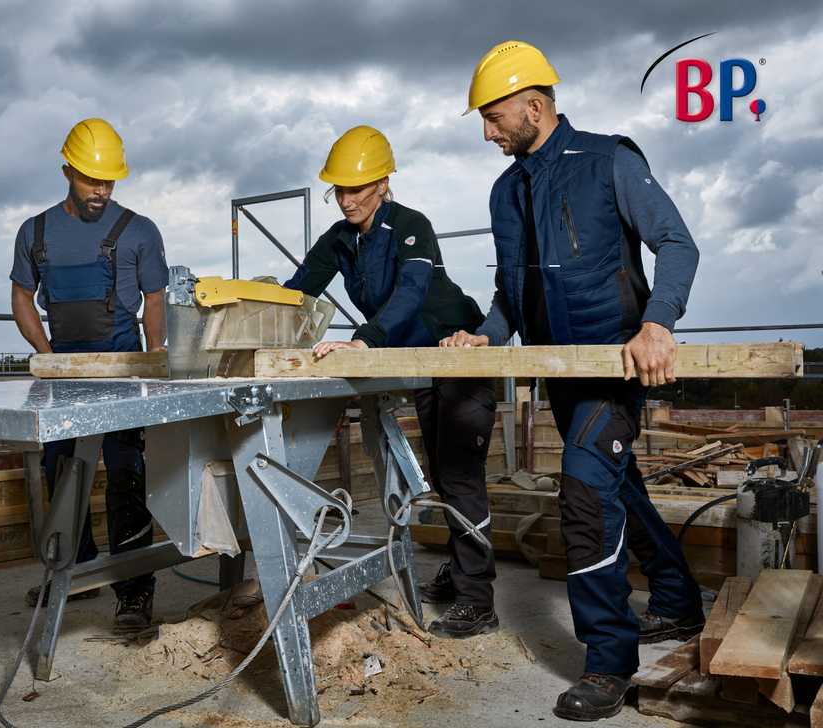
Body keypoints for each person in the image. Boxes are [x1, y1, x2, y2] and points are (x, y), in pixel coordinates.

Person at [447, 41, 705, 720]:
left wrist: (657, 324)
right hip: (555, 371)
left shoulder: (610, 160)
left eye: (496, 117)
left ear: (535, 106)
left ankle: (606, 662)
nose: (487, 132)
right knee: (619, 483)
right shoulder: (506, 191)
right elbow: (511, 293)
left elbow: (677, 243)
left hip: (614, 364)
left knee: (586, 496)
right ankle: (678, 604)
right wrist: (487, 334)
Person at [283, 126, 499, 639]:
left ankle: (479, 599)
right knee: (443, 475)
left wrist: (364, 342)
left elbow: (409, 292)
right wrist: (248, 316)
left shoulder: (410, 225)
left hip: (458, 354)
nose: (347, 198)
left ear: (383, 182)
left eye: (357, 187)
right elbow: (298, 293)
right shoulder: (339, 239)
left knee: (461, 476)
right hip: (417, 361)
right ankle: (463, 566)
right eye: (339, 189)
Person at [10, 118, 169, 633]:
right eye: (89, 180)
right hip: (62, 378)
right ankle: (75, 570)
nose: (100, 190)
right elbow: (21, 296)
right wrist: (47, 352)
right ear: (67, 171)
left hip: (123, 372)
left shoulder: (138, 230)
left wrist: (156, 360)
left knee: (126, 476)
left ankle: (134, 591)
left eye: (108, 181)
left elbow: (154, 300)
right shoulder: (34, 232)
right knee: (62, 474)